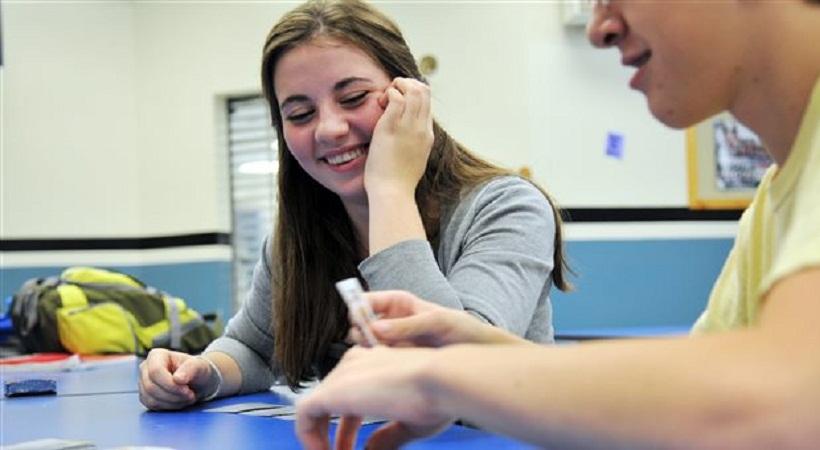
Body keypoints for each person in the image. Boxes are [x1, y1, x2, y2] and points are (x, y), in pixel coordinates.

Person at [295, 0, 820, 448]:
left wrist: (440, 378)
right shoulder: (776, 199)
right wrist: (474, 347)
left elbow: (788, 404)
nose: (598, 27)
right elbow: (698, 392)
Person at [137, 0, 570, 411]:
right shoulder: (298, 236)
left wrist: (390, 190)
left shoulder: (507, 207)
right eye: (301, 114)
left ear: (411, 95)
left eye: (353, 98)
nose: (329, 128)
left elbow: (453, 372)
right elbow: (253, 347)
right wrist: (202, 373)